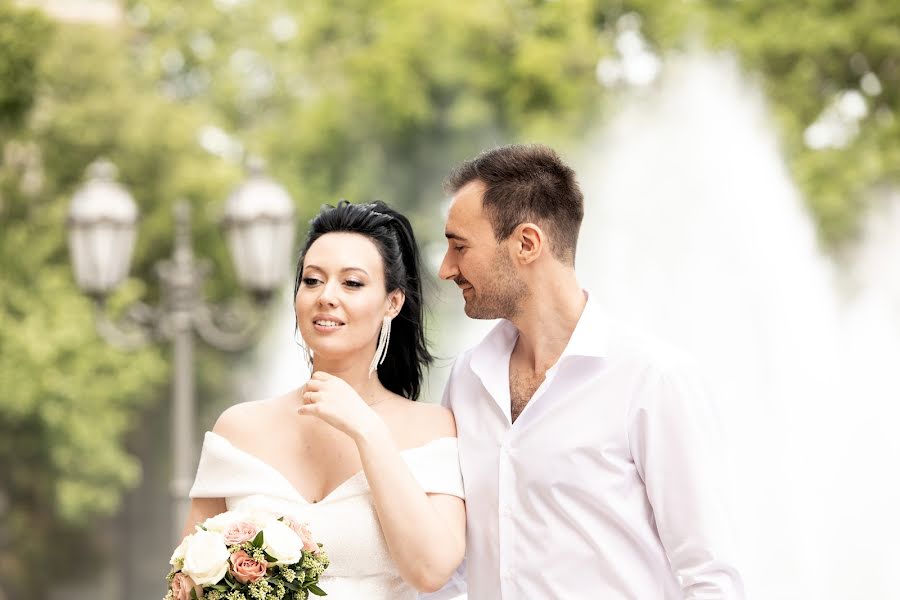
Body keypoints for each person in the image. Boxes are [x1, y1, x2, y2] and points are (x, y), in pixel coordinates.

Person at [437, 144, 744, 598]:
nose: (446, 269)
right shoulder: (467, 379)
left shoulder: (651, 379)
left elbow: (711, 576)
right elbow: (451, 564)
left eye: (460, 247)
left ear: (526, 244)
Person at [183, 200, 466, 599]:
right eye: (312, 281)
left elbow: (431, 570)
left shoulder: (432, 428)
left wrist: (368, 431)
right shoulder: (238, 429)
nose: (326, 296)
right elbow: (187, 583)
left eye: (351, 283)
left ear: (392, 302)